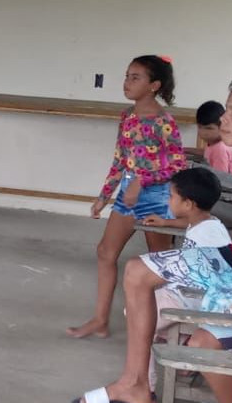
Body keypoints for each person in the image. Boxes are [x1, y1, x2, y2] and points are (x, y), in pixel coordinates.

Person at [75, 79, 232, 403]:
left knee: (202, 346)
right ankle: (135, 384)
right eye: (227, 110)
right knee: (137, 271)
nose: (224, 118)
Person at [68, 55, 187, 340]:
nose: (127, 82)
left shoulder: (164, 121)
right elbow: (120, 160)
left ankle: (163, 328)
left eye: (135, 77)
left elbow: (178, 165)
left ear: (154, 85)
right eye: (126, 76)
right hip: (127, 194)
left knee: (158, 265)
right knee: (105, 252)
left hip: (157, 197)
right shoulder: (127, 116)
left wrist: (142, 181)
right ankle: (100, 320)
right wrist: (104, 196)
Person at [138, 167, 231, 387]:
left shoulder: (209, 234)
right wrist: (165, 223)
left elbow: (218, 273)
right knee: (144, 310)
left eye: (171, 196)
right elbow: (189, 224)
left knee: (138, 316)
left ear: (188, 204)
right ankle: (184, 351)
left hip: (194, 297)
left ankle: (146, 386)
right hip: (190, 293)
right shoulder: (208, 223)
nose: (168, 200)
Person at [193, 100, 232, 172]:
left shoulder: (220, 149)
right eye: (199, 127)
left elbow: (221, 176)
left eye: (209, 128)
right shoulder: (215, 143)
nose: (203, 132)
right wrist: (184, 149)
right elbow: (207, 152)